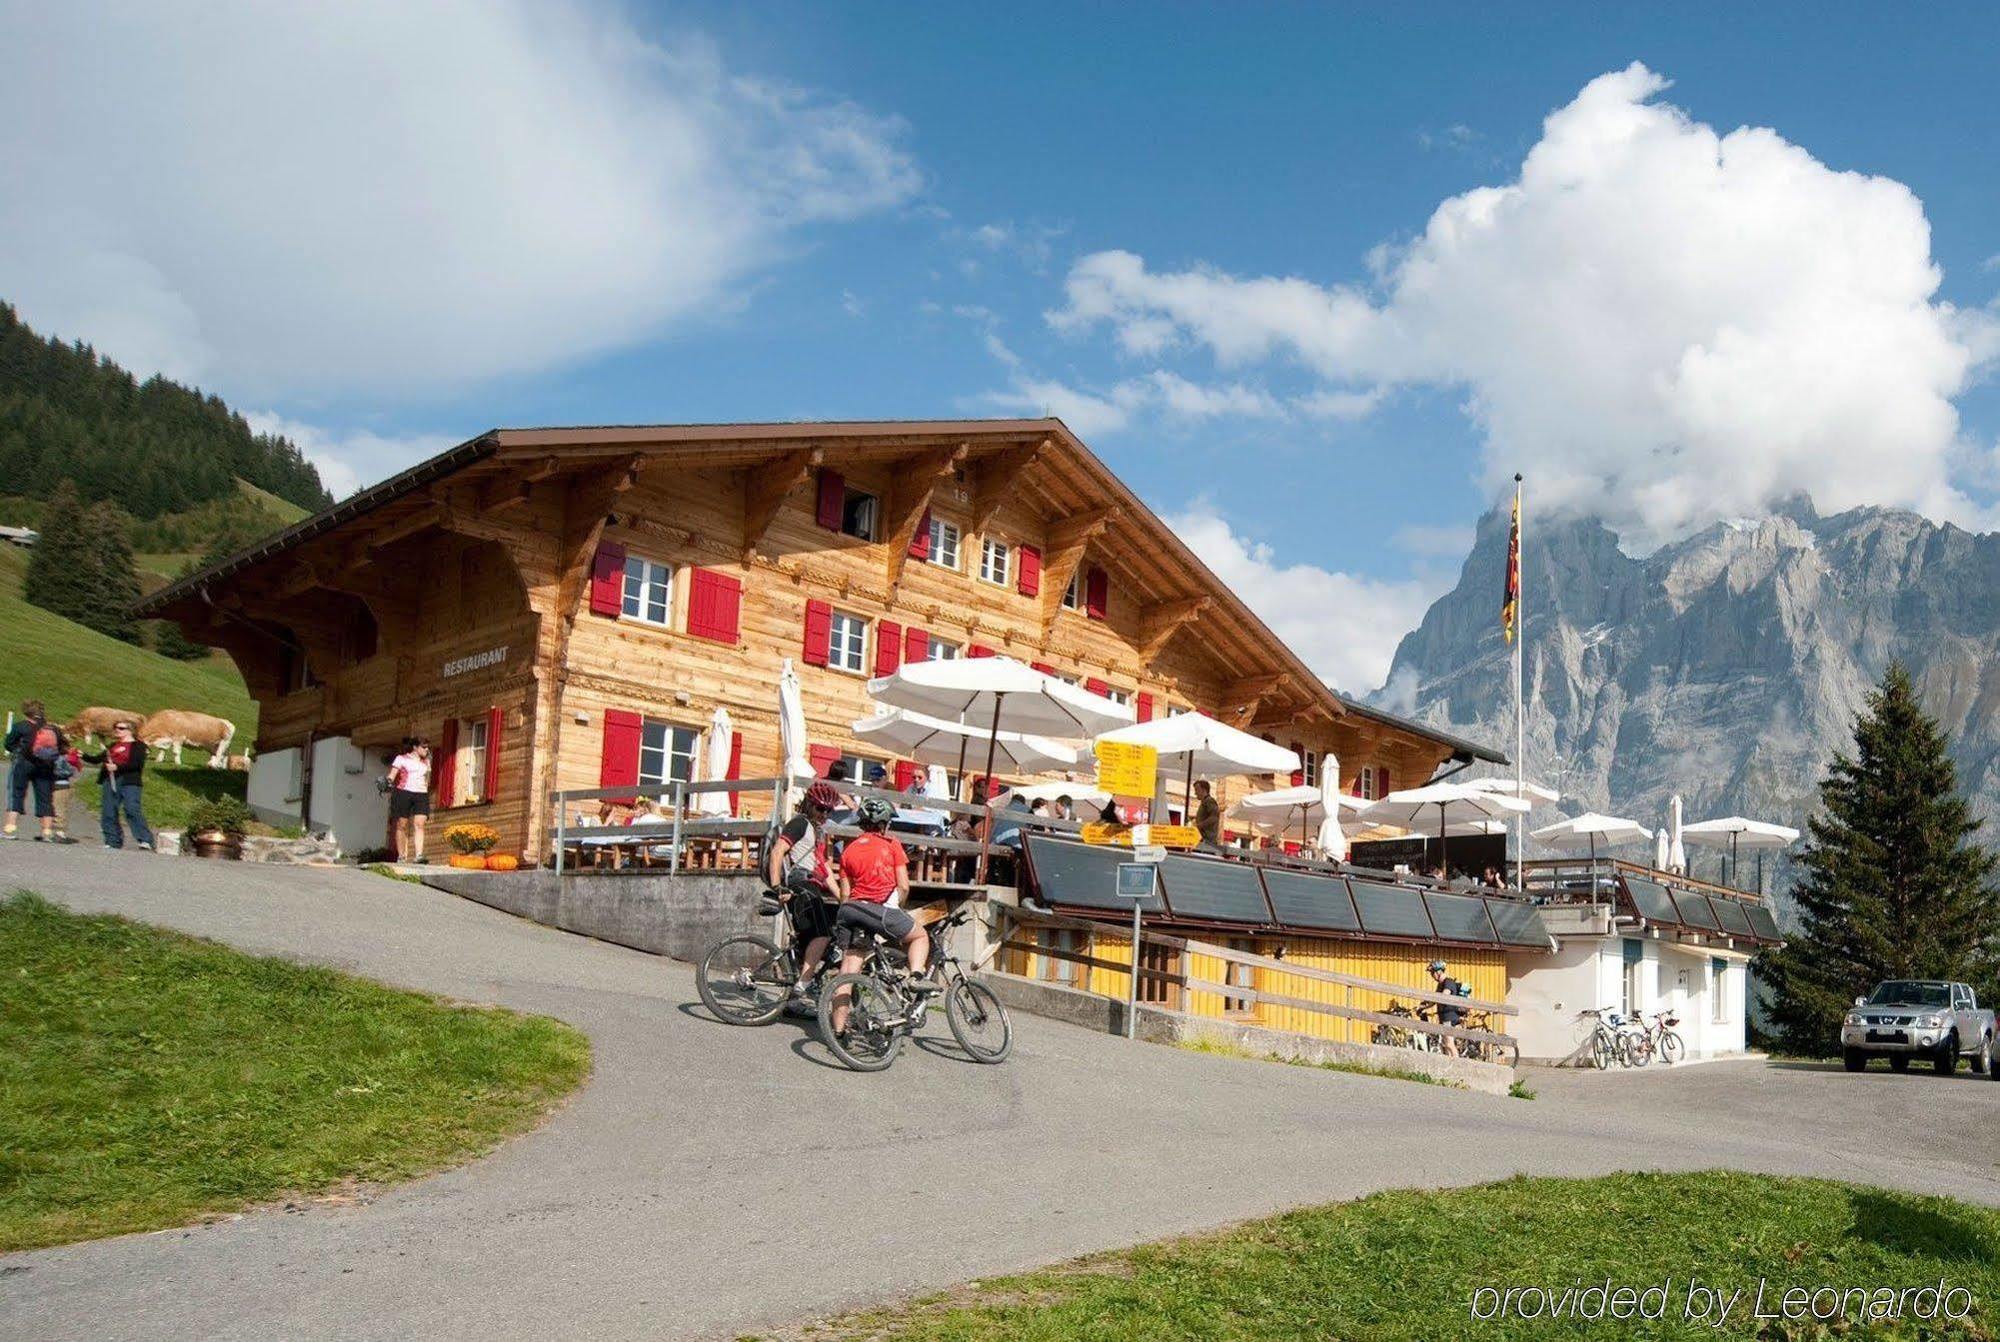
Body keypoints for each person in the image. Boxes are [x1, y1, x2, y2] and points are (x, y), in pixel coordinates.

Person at [827, 796, 934, 1037]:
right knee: (919, 937)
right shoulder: (891, 844)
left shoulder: (849, 850)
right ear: (884, 823)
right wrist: (896, 909)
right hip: (879, 908)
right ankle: (916, 977)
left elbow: (845, 894)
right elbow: (904, 886)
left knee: (847, 974)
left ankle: (838, 1031)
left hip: (850, 910)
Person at [766, 781, 844, 997]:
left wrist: (843, 898)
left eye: (829, 810)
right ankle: (803, 986)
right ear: (809, 804)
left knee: (831, 924)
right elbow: (777, 852)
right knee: (822, 935)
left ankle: (799, 985)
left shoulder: (818, 831)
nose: (824, 814)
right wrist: (777, 887)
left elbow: (825, 868)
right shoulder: (799, 824)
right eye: (820, 809)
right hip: (801, 885)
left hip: (813, 885)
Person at [82, 719, 154, 851]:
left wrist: (117, 767)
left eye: (121, 728)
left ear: (130, 731)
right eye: (116, 728)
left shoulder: (138, 746)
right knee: (109, 810)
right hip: (110, 780)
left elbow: (136, 764)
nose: (117, 730)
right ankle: (112, 840)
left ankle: (145, 839)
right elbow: (97, 759)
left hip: (129, 781)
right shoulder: (113, 745)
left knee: (131, 809)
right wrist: (82, 755)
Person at [4, 700, 66, 842]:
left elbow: (8, 744)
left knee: (16, 794)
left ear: (26, 712)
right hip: (46, 767)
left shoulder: (21, 726)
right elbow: (62, 747)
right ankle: (47, 832)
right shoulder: (52, 729)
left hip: (22, 764)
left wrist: (18, 751)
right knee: (45, 798)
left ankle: (10, 829)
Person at [387, 737, 433, 863]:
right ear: (415, 747)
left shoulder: (427, 762)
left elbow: (427, 781)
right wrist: (387, 782)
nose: (426, 749)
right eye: (424, 747)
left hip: (421, 794)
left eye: (427, 747)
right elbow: (392, 776)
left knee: (420, 824)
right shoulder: (401, 759)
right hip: (404, 792)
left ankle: (419, 855)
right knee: (402, 824)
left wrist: (428, 768)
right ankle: (401, 856)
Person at [1424, 959, 1466, 1058]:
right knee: (1445, 1043)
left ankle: (1457, 1065)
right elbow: (1434, 1000)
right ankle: (1450, 1063)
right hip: (1444, 1017)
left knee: (1449, 1043)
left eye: (1432, 973)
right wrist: (1424, 1007)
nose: (1432, 975)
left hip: (1449, 1017)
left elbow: (1444, 996)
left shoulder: (1448, 982)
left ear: (1438, 971)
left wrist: (1434, 999)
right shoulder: (1440, 985)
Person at [49, 742, 82, 843]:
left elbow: (69, 771)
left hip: (60, 784)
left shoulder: (63, 757)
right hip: (58, 783)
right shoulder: (60, 757)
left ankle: (59, 832)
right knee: (55, 808)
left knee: (59, 808)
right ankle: (52, 831)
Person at [1192, 779, 1221, 849]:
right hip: (1203, 841)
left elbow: (1214, 818)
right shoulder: (1204, 802)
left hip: (1207, 841)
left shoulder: (1209, 801)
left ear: (1204, 790)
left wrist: (1199, 826)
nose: (1195, 793)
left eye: (1197, 790)